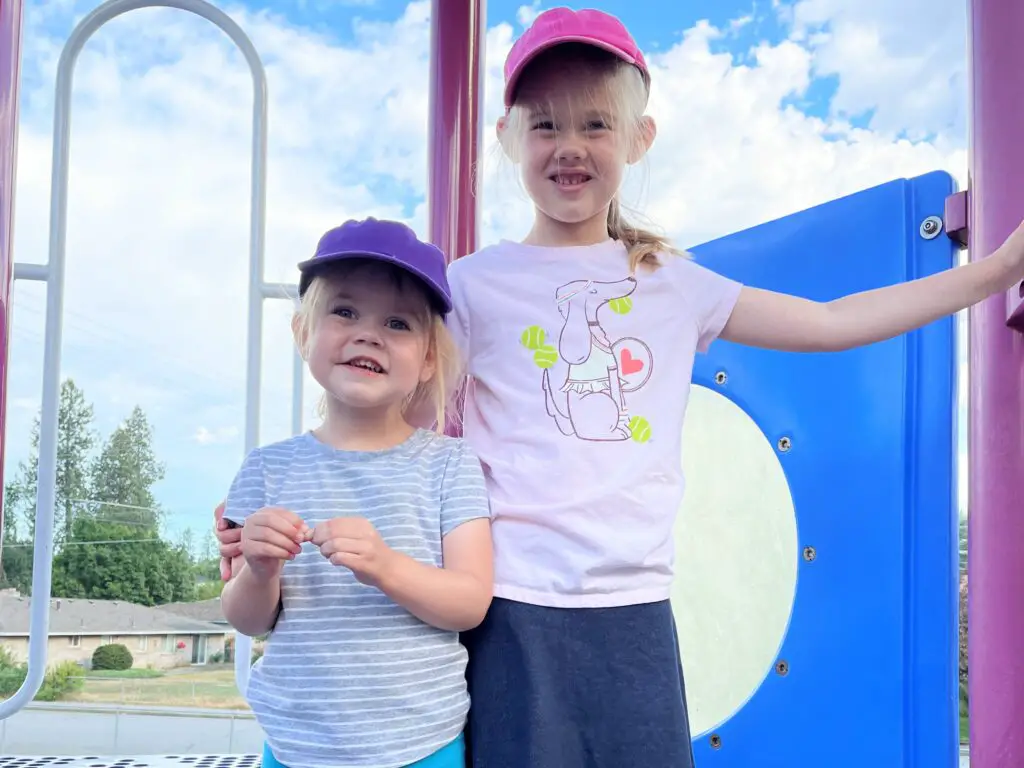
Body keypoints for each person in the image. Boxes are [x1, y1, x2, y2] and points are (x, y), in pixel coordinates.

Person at [217, 7, 1024, 767]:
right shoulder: (474, 286)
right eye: (545, 124)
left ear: (638, 138)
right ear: (507, 138)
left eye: (594, 123)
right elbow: (392, 413)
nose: (569, 143)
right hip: (511, 609)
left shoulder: (672, 283)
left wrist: (992, 271)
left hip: (632, 609)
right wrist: (288, 508)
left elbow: (828, 322)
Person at [217, 217, 493, 768]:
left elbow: (470, 603)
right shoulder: (266, 469)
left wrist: (386, 566)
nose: (368, 334)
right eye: (344, 312)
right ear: (303, 332)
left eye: (397, 322)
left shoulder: (450, 463)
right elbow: (247, 619)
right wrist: (262, 569)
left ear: (429, 359)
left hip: (422, 746)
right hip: (295, 747)